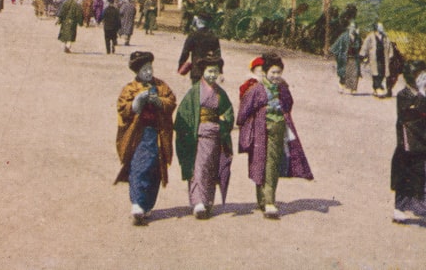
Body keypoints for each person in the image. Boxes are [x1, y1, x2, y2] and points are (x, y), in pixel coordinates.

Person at [236, 53, 313, 218]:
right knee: (259, 163)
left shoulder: (282, 88)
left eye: (279, 72)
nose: (276, 76)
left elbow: (288, 103)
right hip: (260, 130)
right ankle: (262, 199)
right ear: (264, 72)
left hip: (278, 129)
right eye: (273, 72)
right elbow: (243, 112)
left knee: (272, 164)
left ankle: (270, 202)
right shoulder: (256, 89)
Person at [114, 51, 176, 225]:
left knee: (155, 169)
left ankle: (147, 204)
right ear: (137, 72)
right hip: (139, 135)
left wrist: (159, 102)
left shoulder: (161, 85)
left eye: (150, 68)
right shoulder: (130, 88)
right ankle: (137, 203)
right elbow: (123, 107)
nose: (148, 72)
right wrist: (137, 102)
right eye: (144, 70)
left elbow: (171, 100)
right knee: (139, 167)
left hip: (157, 134)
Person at [390, 61, 426, 230]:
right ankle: (399, 209)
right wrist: (422, 97)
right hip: (410, 146)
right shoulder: (404, 95)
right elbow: (412, 115)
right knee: (406, 178)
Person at [175, 56, 234, 219]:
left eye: (215, 71)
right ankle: (197, 202)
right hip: (197, 134)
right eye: (209, 71)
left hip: (215, 134)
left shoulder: (220, 93)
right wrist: (186, 131)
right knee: (198, 167)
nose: (212, 75)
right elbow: (183, 113)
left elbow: (228, 112)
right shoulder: (194, 92)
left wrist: (223, 123)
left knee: (210, 168)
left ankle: (207, 201)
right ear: (202, 72)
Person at [177, 14, 222, 82]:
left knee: (197, 90)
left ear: (199, 22)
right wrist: (220, 71)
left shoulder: (193, 35)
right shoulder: (213, 36)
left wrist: (181, 65)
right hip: (210, 70)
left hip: (196, 70)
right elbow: (217, 55)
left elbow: (185, 52)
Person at [361, 22, 394, 98]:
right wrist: (363, 54)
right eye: (380, 27)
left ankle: (376, 88)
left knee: (382, 72)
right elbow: (365, 45)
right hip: (374, 58)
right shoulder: (371, 36)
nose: (382, 28)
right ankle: (378, 88)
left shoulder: (385, 37)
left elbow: (389, 46)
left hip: (383, 57)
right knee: (376, 73)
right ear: (376, 28)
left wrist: (391, 54)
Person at [330, 21, 362, 94]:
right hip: (345, 57)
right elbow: (336, 44)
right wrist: (335, 53)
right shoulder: (344, 36)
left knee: (354, 74)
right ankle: (341, 86)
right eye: (351, 27)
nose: (352, 29)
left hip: (354, 57)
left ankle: (353, 89)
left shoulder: (357, 37)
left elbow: (359, 47)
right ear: (349, 28)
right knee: (343, 73)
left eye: (354, 27)